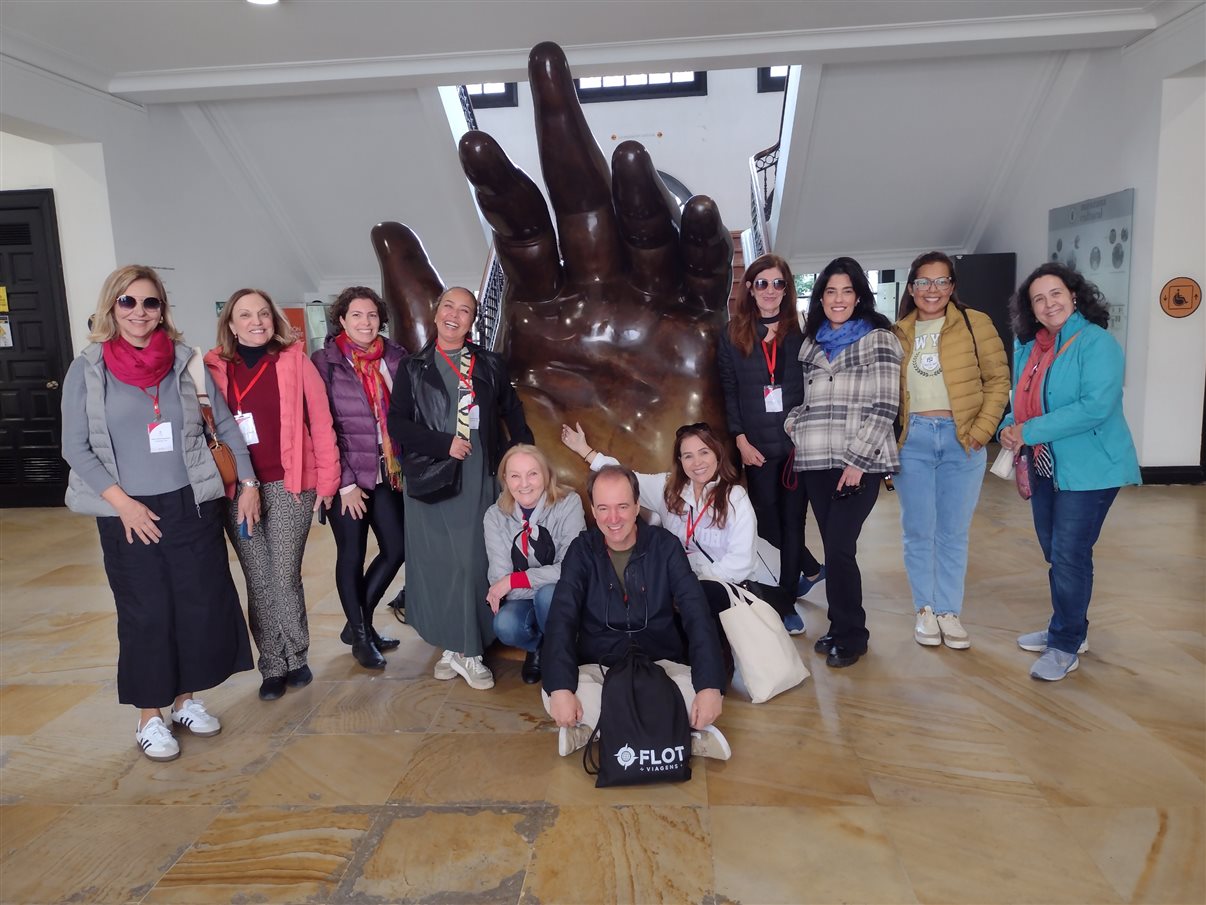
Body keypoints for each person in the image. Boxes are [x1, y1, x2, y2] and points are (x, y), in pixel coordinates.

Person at [61, 265, 255, 762]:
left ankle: (186, 700)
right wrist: (122, 504)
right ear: (111, 308)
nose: (139, 312)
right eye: (128, 302)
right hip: (127, 510)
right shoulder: (87, 369)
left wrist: (248, 482)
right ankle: (150, 716)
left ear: (161, 310)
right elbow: (75, 447)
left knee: (197, 604)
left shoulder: (186, 364)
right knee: (146, 613)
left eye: (149, 303)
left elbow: (227, 427)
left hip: (191, 505)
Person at [998, 263, 1140, 681]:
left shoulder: (1097, 343)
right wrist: (1011, 423)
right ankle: (1071, 628)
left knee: (1069, 554)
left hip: (1091, 469)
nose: (1048, 304)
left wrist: (1028, 429)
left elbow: (1095, 407)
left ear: (1074, 296)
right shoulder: (1032, 345)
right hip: (1045, 465)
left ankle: (1064, 643)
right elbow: (1023, 395)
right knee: (1055, 551)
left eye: (1055, 294)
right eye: (1038, 299)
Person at [387, 286, 533, 690]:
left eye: (464, 310)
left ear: (471, 321)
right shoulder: (412, 367)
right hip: (432, 477)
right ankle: (452, 645)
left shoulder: (487, 363)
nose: (455, 315)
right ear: (436, 314)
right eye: (448, 307)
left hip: (478, 475)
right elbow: (398, 424)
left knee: (472, 563)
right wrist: (443, 443)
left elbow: (511, 409)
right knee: (438, 566)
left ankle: (471, 650)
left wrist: (526, 455)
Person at [541, 464, 731, 760]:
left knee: (699, 691)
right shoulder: (582, 551)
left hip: (659, 664)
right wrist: (561, 689)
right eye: (603, 508)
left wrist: (709, 686)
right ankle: (679, 734)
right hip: (601, 666)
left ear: (637, 505)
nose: (613, 519)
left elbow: (697, 614)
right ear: (592, 509)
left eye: (622, 507)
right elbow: (561, 620)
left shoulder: (664, 546)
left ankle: (596, 729)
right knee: (555, 690)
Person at [205, 288, 340, 701]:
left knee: (284, 574)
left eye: (263, 313)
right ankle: (272, 665)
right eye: (245, 315)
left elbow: (321, 422)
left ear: (274, 319)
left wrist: (328, 482)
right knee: (258, 578)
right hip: (236, 488)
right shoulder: (211, 369)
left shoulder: (295, 362)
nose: (256, 321)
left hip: (290, 484)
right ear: (231, 324)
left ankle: (296, 657)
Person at [561, 420, 789, 655]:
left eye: (704, 452)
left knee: (699, 595)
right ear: (680, 461)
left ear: (717, 455)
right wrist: (585, 450)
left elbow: (740, 564)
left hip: (722, 585)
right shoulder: (669, 489)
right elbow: (627, 479)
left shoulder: (735, 497)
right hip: (679, 584)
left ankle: (715, 660)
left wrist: (688, 581)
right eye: (688, 456)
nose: (697, 462)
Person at [784, 256, 902, 668]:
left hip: (860, 463)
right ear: (820, 297)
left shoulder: (879, 339)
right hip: (816, 461)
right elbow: (800, 399)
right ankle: (838, 626)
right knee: (834, 550)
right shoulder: (811, 343)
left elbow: (886, 404)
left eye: (847, 291)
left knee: (839, 548)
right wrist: (795, 425)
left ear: (859, 296)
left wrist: (856, 461)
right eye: (830, 291)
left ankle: (853, 633)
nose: (838, 299)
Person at [892, 252, 1010, 650]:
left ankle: (949, 611)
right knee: (918, 530)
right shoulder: (898, 332)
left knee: (953, 532)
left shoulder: (976, 324)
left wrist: (981, 432)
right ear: (911, 288)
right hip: (915, 442)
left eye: (942, 281)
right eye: (924, 282)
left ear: (953, 286)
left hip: (964, 440)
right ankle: (925, 609)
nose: (933, 290)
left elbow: (998, 381)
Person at [718, 253, 824, 624]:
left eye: (777, 283)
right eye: (761, 283)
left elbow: (816, 386)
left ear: (786, 289)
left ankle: (787, 603)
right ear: (749, 288)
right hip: (757, 448)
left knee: (794, 522)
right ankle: (793, 581)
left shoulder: (802, 332)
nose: (769, 290)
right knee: (767, 523)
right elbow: (729, 390)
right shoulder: (732, 334)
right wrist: (740, 440)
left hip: (796, 446)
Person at [312, 287, 409, 671]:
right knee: (351, 555)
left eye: (371, 315)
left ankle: (359, 624)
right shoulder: (326, 362)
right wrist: (346, 483)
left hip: (386, 473)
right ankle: (361, 635)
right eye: (356, 315)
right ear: (342, 319)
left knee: (397, 548)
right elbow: (323, 425)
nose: (365, 322)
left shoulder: (395, 356)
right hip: (346, 478)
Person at [484, 444, 586, 684]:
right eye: (515, 476)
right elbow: (499, 580)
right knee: (505, 624)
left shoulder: (569, 504)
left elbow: (572, 569)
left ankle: (559, 652)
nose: (524, 484)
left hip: (559, 595)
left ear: (546, 475)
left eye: (532, 473)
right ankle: (539, 646)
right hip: (524, 600)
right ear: (505, 480)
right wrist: (510, 583)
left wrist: (514, 580)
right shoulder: (494, 516)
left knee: (548, 596)